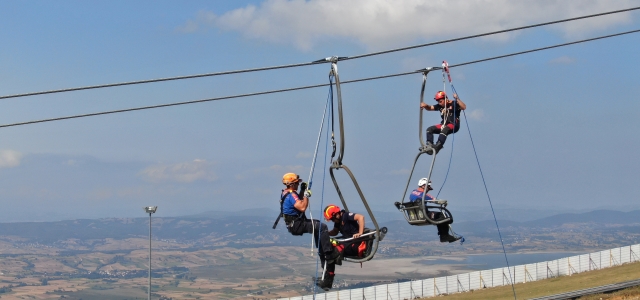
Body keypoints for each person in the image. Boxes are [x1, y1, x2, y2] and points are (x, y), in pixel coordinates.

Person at [279, 173, 340, 288]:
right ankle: (328, 253)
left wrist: (302, 191)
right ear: (292, 184)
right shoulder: (291, 195)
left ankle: (323, 253)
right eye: (297, 183)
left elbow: (297, 203)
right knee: (322, 227)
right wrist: (306, 195)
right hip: (297, 224)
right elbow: (302, 207)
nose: (298, 184)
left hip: (294, 224)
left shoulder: (287, 193)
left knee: (319, 228)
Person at [317, 204, 367, 291]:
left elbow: (361, 217)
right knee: (327, 250)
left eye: (332, 219)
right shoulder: (338, 221)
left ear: (337, 214)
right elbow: (335, 232)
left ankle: (328, 281)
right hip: (348, 244)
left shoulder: (346, 216)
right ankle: (327, 277)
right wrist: (326, 233)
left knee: (331, 252)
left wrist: (360, 233)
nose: (333, 221)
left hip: (355, 244)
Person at [410, 178, 460, 243]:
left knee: (438, 217)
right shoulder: (424, 194)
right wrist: (444, 202)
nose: (428, 190)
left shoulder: (412, 193)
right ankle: (444, 236)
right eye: (428, 187)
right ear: (424, 186)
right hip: (424, 215)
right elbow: (435, 200)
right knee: (442, 216)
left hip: (414, 215)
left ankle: (444, 235)